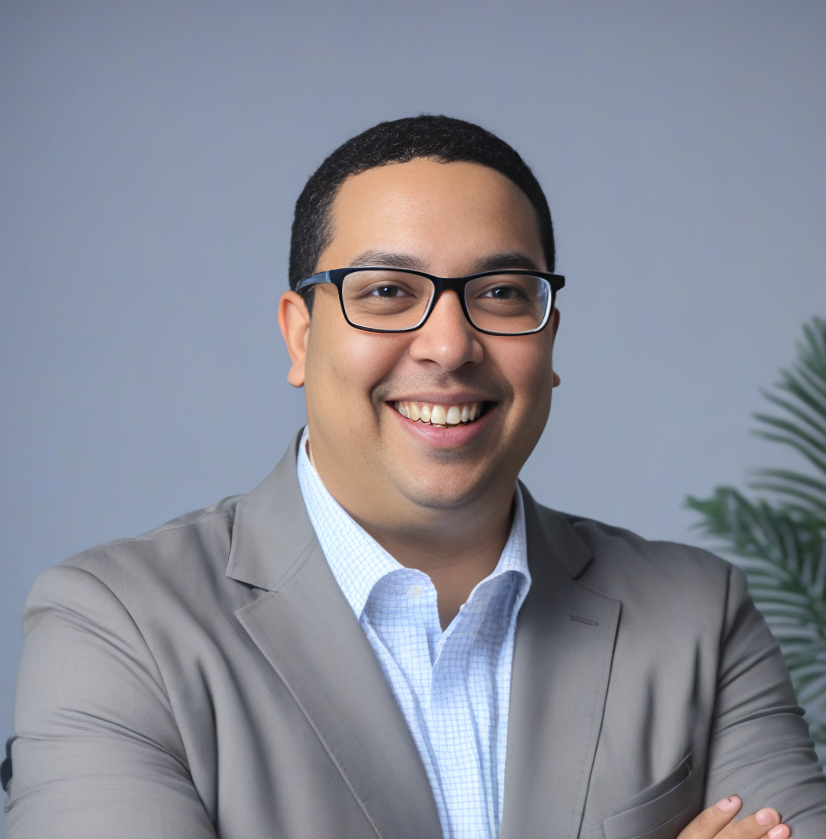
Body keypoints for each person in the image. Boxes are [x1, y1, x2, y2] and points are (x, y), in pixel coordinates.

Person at [3, 115, 825, 839]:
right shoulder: (118, 628)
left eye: (500, 293)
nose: (450, 345)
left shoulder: (698, 616)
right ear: (300, 335)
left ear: (549, 339)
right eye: (388, 291)